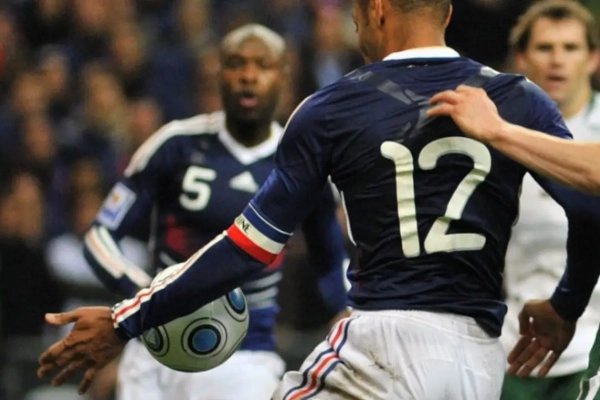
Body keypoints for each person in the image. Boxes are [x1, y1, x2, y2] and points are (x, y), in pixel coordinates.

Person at [36, 1, 600, 399]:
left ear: (377, 9)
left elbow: (250, 247)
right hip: (479, 361)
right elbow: (589, 209)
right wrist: (567, 303)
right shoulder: (519, 99)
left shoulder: (333, 108)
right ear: (447, 14)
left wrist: (126, 319)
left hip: (382, 344)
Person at [79, 24, 349, 400]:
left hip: (245, 357)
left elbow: (330, 258)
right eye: (236, 64)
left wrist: (347, 310)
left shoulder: (302, 163)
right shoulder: (175, 145)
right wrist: (145, 293)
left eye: (262, 65)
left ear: (285, 78)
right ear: (217, 75)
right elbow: (99, 236)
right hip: (156, 348)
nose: (248, 76)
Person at [499, 2, 600, 399]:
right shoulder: (497, 135)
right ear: (522, 59)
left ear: (593, 58)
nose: (557, 60)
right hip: (515, 344)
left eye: (570, 48)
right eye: (544, 48)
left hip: (593, 344)